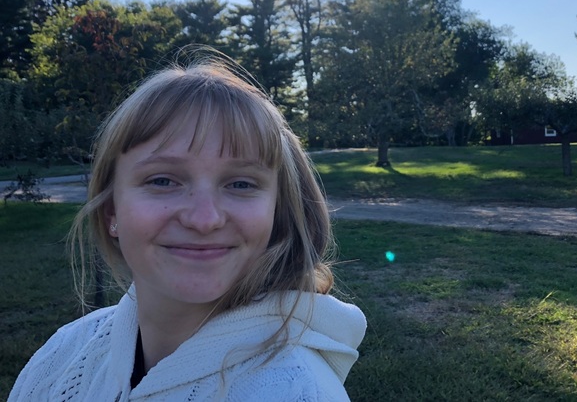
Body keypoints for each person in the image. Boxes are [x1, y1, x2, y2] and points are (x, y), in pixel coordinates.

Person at [9, 53, 366, 401]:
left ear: (278, 212)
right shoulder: (62, 355)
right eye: (163, 181)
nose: (204, 219)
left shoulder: (298, 391)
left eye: (241, 184)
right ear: (110, 211)